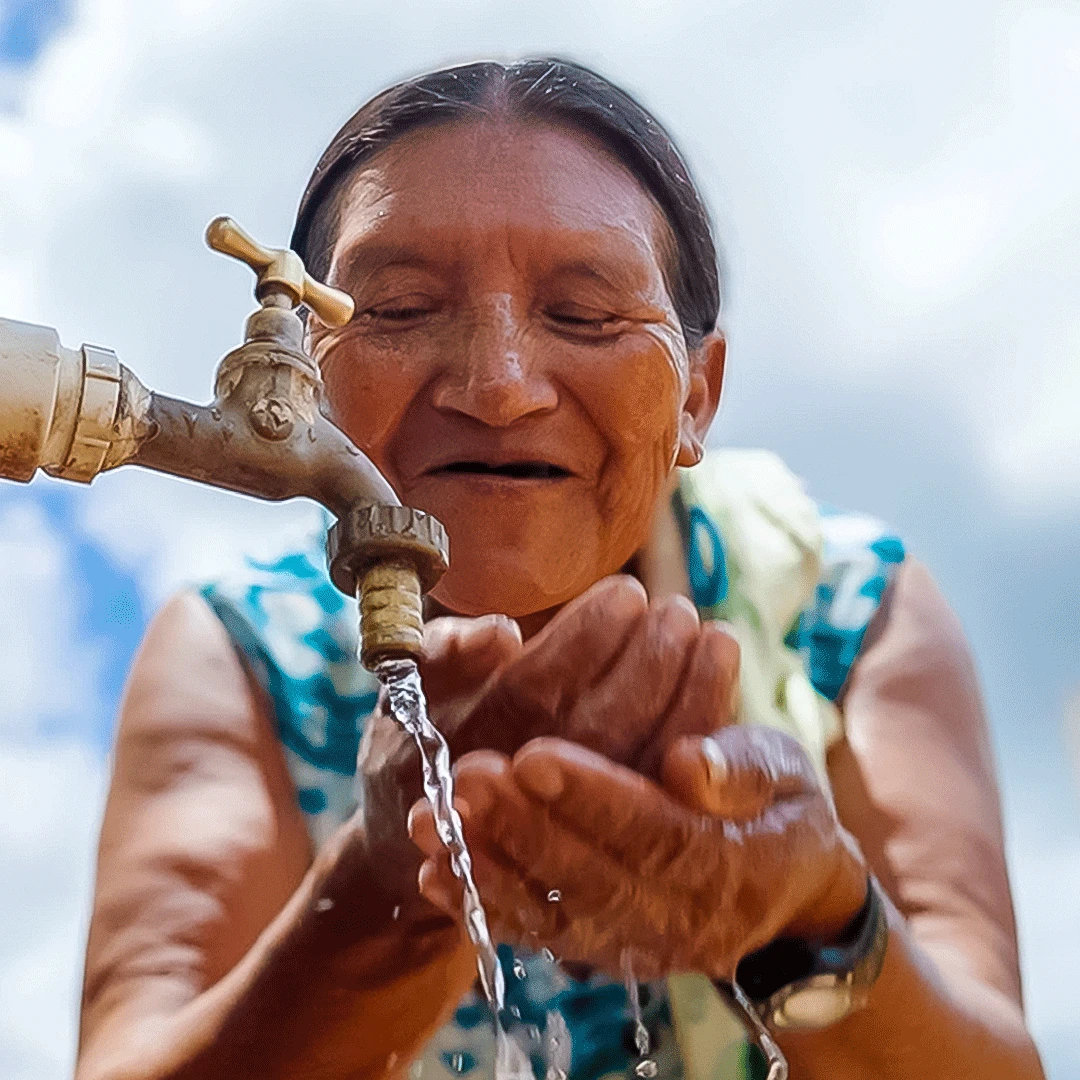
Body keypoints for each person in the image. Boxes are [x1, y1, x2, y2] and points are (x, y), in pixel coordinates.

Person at [74, 59, 1044, 1080]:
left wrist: (811, 918)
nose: (498, 386)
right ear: (310, 375)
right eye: (400, 309)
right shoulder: (244, 652)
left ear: (697, 400)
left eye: (583, 316)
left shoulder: (843, 606)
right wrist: (384, 900)